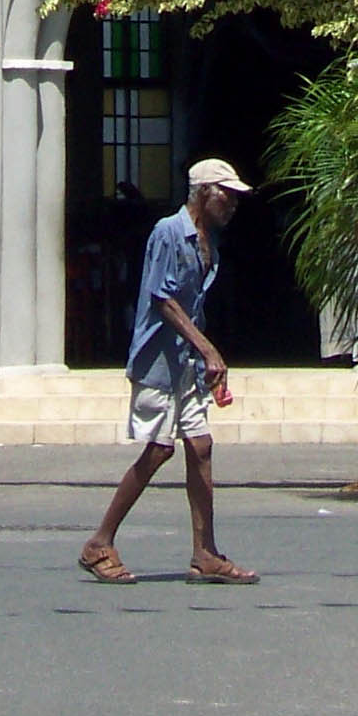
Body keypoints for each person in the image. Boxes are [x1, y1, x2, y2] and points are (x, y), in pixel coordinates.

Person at [78, 158, 259, 586]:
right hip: (158, 362)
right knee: (159, 449)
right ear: (202, 193)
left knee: (200, 447)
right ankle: (99, 543)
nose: (232, 204)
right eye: (225, 194)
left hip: (186, 365)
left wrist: (204, 359)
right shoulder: (168, 233)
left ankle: (205, 552)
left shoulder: (207, 242)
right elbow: (162, 298)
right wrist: (209, 348)